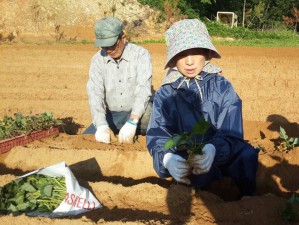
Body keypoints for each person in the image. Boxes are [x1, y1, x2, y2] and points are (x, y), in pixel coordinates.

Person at [146, 19, 259, 197]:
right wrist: (167, 158)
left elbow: (231, 131)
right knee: (198, 179)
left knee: (247, 156)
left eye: (196, 52)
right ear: (174, 58)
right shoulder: (165, 93)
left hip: (223, 152)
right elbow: (159, 133)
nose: (189, 62)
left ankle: (247, 202)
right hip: (190, 158)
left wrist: (213, 149)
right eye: (182, 54)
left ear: (206, 54)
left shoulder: (222, 86)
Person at [83, 17, 153, 144]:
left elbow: (143, 89)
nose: (108, 50)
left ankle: (136, 131)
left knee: (152, 118)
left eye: (112, 44)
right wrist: (102, 126)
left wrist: (132, 121)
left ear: (123, 37)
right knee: (88, 137)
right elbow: (95, 94)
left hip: (139, 113)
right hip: (114, 115)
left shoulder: (141, 54)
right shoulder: (97, 60)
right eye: (103, 46)